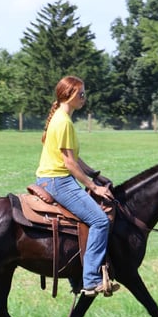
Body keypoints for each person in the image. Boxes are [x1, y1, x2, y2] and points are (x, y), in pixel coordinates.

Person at [35, 75, 119, 297]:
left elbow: (74, 157)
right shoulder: (63, 122)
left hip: (51, 178)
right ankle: (90, 280)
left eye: (84, 93)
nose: (84, 97)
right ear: (68, 95)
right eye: (80, 94)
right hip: (58, 182)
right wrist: (93, 186)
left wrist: (94, 173)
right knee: (100, 221)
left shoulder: (62, 119)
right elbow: (68, 162)